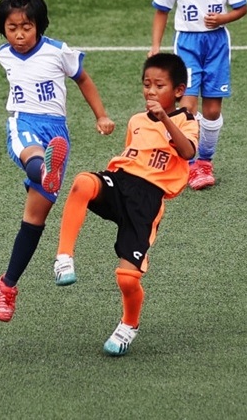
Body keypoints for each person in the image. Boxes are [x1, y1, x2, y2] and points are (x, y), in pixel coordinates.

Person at [53, 53, 199, 356]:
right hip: (120, 183)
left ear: (178, 91)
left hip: (147, 201)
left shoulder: (186, 121)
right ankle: (64, 257)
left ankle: (129, 324)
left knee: (127, 278)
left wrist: (165, 120)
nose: (150, 91)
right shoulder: (136, 120)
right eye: (146, 84)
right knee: (83, 182)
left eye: (159, 85)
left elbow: (187, 152)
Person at [0, 0, 114, 323]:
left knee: (34, 220)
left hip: (57, 132)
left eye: (26, 27)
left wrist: (101, 115)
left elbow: (83, 80)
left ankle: (7, 286)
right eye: (12, 28)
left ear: (39, 25)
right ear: (3, 28)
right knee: (32, 155)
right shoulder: (3, 55)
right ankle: (42, 169)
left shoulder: (59, 52)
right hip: (23, 123)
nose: (19, 35)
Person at [148, 0, 247, 190]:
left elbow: (241, 8)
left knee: (212, 110)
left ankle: (205, 161)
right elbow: (161, 10)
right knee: (188, 106)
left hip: (217, 46)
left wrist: (224, 18)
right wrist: (155, 46)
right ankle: (189, 164)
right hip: (187, 45)